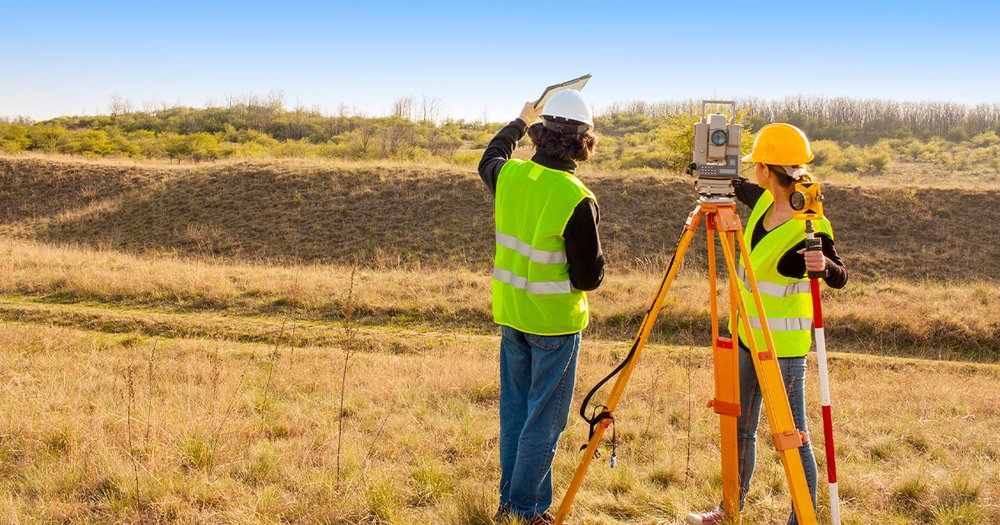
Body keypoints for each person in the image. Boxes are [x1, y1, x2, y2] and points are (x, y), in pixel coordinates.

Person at [686, 123, 848, 525]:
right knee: (740, 428)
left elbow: (841, 274)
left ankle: (803, 519)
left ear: (765, 169)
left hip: (784, 354)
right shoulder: (763, 202)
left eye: (756, 164)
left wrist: (824, 266)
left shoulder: (810, 223)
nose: (752, 172)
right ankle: (730, 509)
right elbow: (738, 186)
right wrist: (709, 171)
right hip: (746, 339)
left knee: (792, 441)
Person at [478, 89, 605, 525]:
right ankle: (526, 510)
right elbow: (588, 277)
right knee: (543, 424)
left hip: (512, 315)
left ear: (539, 134)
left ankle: (510, 503)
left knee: (516, 415)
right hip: (554, 326)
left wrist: (518, 120)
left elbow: (490, 157)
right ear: (583, 143)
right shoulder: (576, 197)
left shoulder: (510, 176)